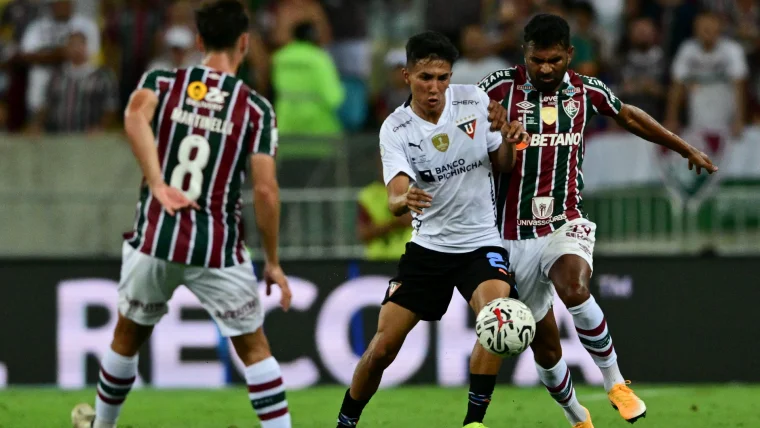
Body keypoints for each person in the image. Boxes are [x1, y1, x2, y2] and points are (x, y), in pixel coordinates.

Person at [478, 14, 718, 427]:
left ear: (570, 54)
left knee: (574, 287)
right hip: (510, 235)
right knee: (546, 350)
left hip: (564, 221)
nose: (547, 68)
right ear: (525, 54)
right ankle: (577, 418)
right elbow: (455, 119)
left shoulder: (586, 90)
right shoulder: (498, 88)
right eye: (538, 60)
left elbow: (628, 115)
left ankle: (615, 384)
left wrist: (684, 149)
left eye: (555, 59)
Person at [70, 2, 293, 428]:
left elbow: (134, 116)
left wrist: (156, 183)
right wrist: (274, 261)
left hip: (157, 236)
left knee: (127, 338)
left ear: (199, 41)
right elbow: (265, 189)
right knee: (254, 350)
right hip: (218, 247)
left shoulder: (163, 82)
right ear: (244, 43)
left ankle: (102, 425)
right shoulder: (256, 110)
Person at [334, 30, 528, 428]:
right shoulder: (396, 128)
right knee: (382, 348)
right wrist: (404, 200)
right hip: (428, 248)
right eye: (426, 78)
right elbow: (393, 197)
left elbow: (505, 164)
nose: (435, 87)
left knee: (497, 317)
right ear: (406, 76)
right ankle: (346, 422)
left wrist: (508, 136)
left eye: (443, 77)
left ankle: (474, 422)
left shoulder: (474, 101)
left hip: (480, 243)